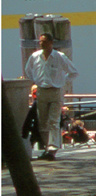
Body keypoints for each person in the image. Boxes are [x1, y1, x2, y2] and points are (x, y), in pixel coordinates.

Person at [24, 33, 78, 162]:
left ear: (51, 42)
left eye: (44, 41)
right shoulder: (35, 56)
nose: (41, 44)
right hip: (42, 91)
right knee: (42, 121)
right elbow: (28, 71)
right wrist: (36, 81)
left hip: (55, 91)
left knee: (53, 120)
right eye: (40, 41)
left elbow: (74, 72)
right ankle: (45, 147)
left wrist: (61, 81)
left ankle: (52, 149)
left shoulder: (59, 57)